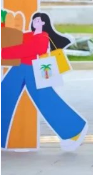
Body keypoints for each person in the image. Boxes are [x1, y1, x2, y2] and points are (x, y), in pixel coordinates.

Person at [1, 12, 88, 151]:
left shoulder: (43, 37)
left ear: (44, 23)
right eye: (34, 20)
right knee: (5, 94)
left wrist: (4, 53)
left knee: (46, 100)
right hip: (20, 68)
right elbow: (15, 41)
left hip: (33, 70)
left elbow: (28, 49)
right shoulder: (28, 35)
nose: (35, 22)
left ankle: (74, 130)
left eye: (38, 20)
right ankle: (73, 130)